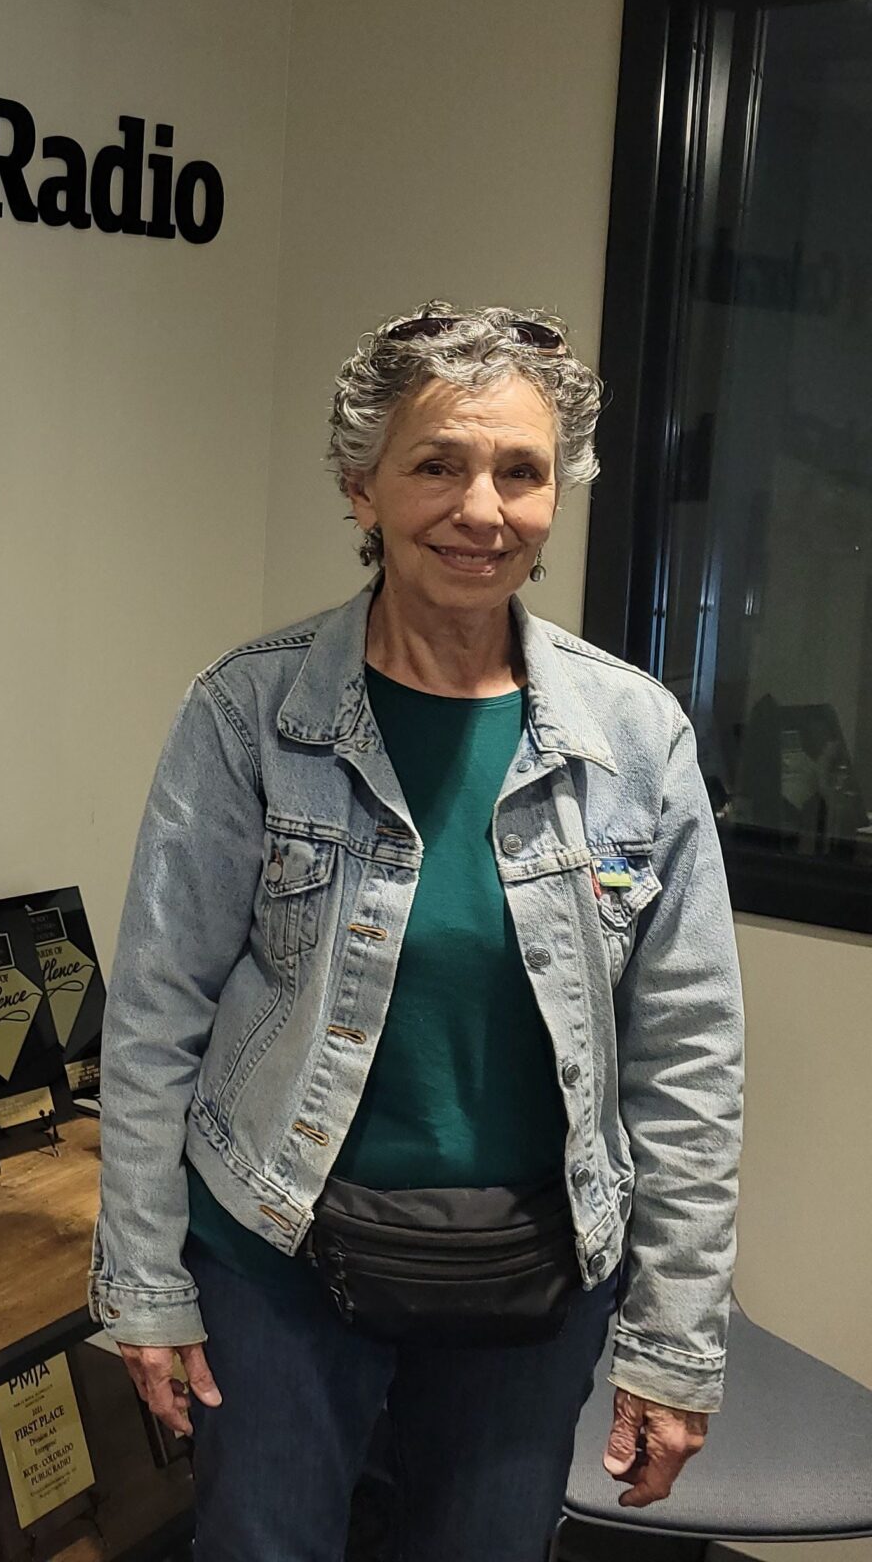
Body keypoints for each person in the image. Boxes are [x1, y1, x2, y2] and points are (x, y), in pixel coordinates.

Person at [89, 303, 744, 1561]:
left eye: (519, 471)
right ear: (361, 485)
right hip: (273, 1257)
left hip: (532, 1274)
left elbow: (689, 1063)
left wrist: (673, 1340)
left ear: (560, 490)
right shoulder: (250, 712)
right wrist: (146, 1282)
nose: (479, 510)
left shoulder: (635, 736)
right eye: (435, 463)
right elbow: (155, 1016)